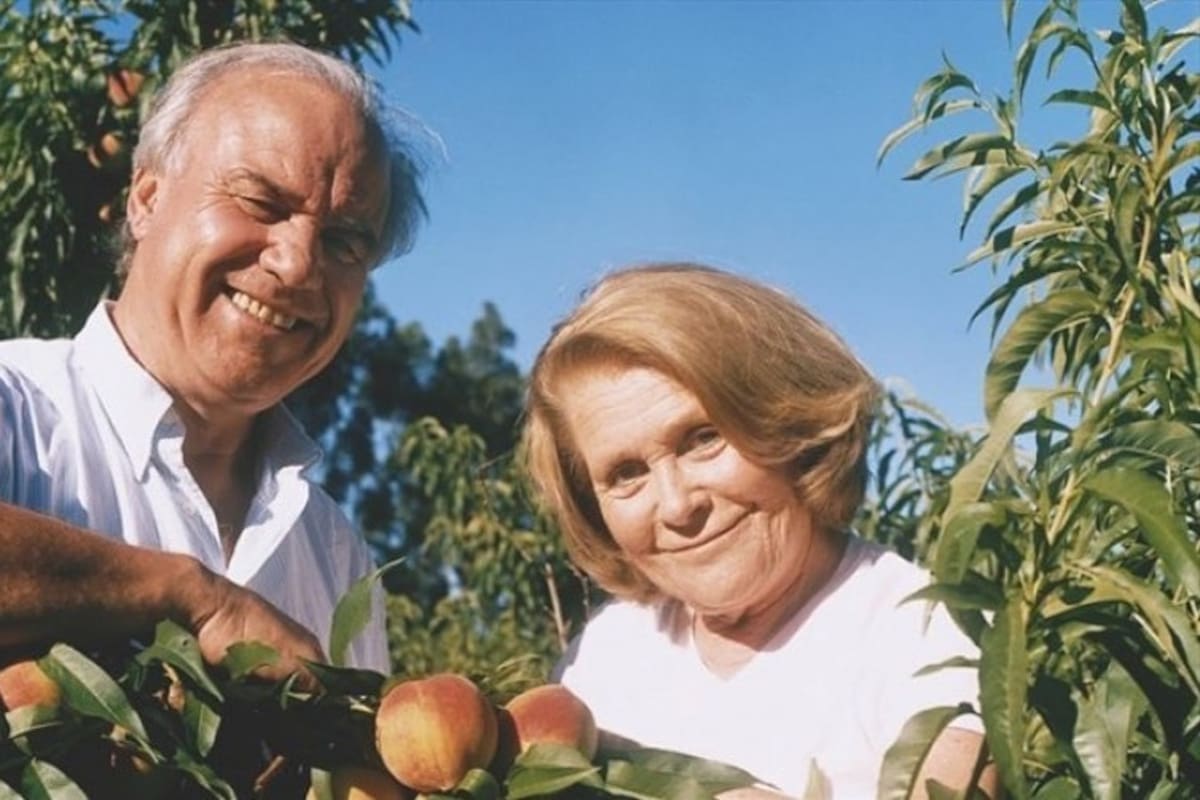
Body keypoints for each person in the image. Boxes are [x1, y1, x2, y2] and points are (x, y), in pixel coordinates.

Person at [0, 42, 426, 677]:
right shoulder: (17, 407)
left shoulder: (335, 553)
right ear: (145, 198)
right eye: (261, 203)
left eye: (345, 241)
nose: (299, 262)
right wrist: (187, 596)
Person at [523, 263, 1000, 798]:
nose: (678, 505)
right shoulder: (608, 657)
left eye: (702, 438)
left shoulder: (928, 630)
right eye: (626, 474)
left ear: (788, 425)